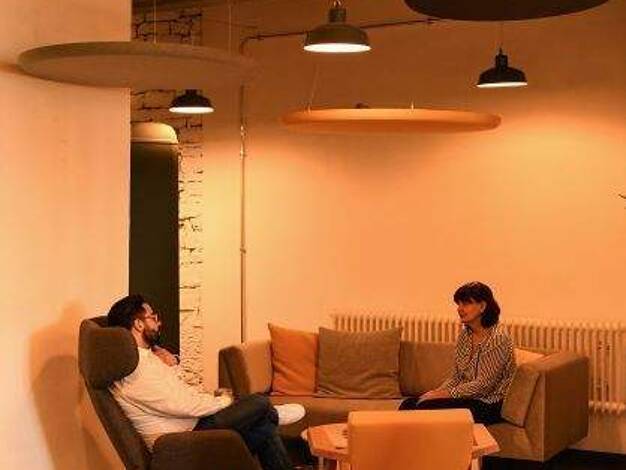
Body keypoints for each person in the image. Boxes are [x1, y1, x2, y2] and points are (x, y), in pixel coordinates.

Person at [107, 294, 303, 470]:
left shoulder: (147, 358)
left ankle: (269, 416)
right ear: (139, 324)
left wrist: (173, 365)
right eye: (153, 317)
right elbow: (182, 405)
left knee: (264, 427)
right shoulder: (134, 370)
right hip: (184, 440)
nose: (159, 323)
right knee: (259, 402)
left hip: (190, 425)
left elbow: (177, 391)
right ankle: (272, 414)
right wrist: (224, 402)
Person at [399, 282, 516, 425]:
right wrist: (434, 393)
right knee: (409, 404)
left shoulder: (498, 338)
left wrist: (446, 394)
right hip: (467, 398)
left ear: (482, 306)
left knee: (425, 408)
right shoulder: (465, 335)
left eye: (466, 303)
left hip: (489, 404)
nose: (460, 309)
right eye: (458, 304)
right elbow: (457, 376)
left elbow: (484, 385)